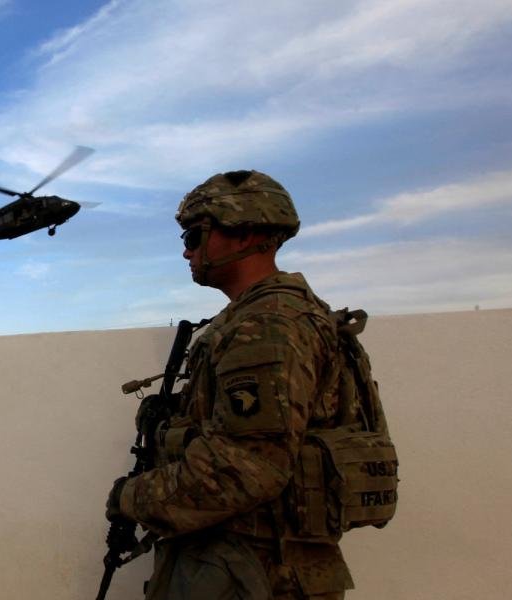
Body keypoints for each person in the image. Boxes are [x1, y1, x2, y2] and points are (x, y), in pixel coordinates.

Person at [105, 170, 373, 599]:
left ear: (246, 232)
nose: (186, 251)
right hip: (240, 565)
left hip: (253, 572)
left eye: (195, 236)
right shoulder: (265, 317)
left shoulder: (268, 325)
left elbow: (243, 467)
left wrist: (131, 497)